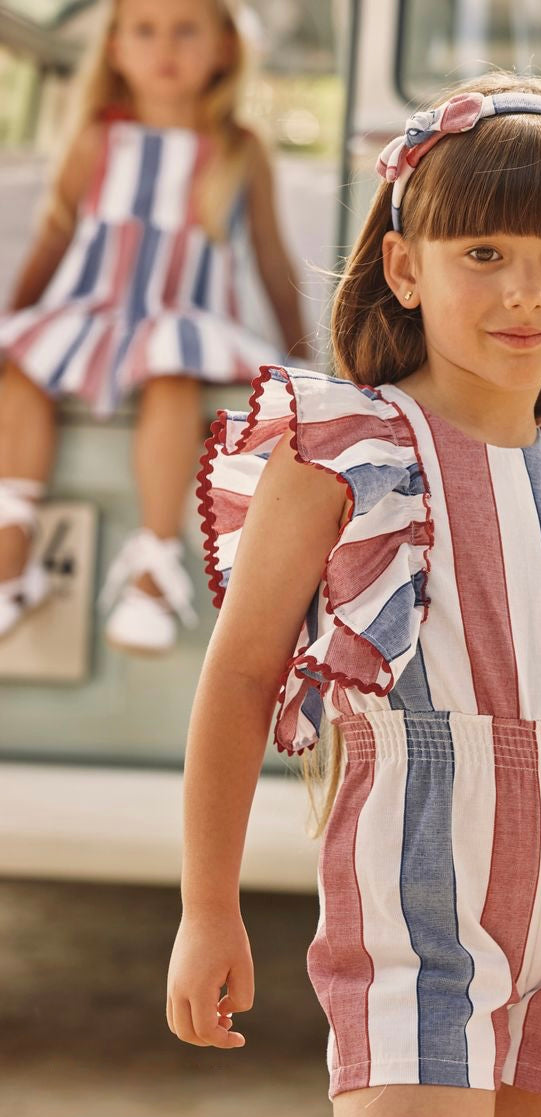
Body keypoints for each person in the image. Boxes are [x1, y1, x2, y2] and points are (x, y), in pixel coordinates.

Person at [166, 74, 541, 1117]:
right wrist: (207, 905)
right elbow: (236, 680)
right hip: (413, 904)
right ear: (404, 268)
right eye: (483, 254)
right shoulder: (346, 451)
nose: (525, 291)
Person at [0, 0, 310, 653]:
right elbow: (54, 239)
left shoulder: (238, 148)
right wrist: (15, 319)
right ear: (115, 48)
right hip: (95, 309)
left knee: (172, 380)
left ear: (224, 48)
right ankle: (11, 549)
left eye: (185, 30)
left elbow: (272, 255)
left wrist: (301, 359)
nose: (164, 47)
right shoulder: (95, 138)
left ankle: (152, 567)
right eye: (144, 30)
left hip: (182, 316)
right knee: (23, 370)